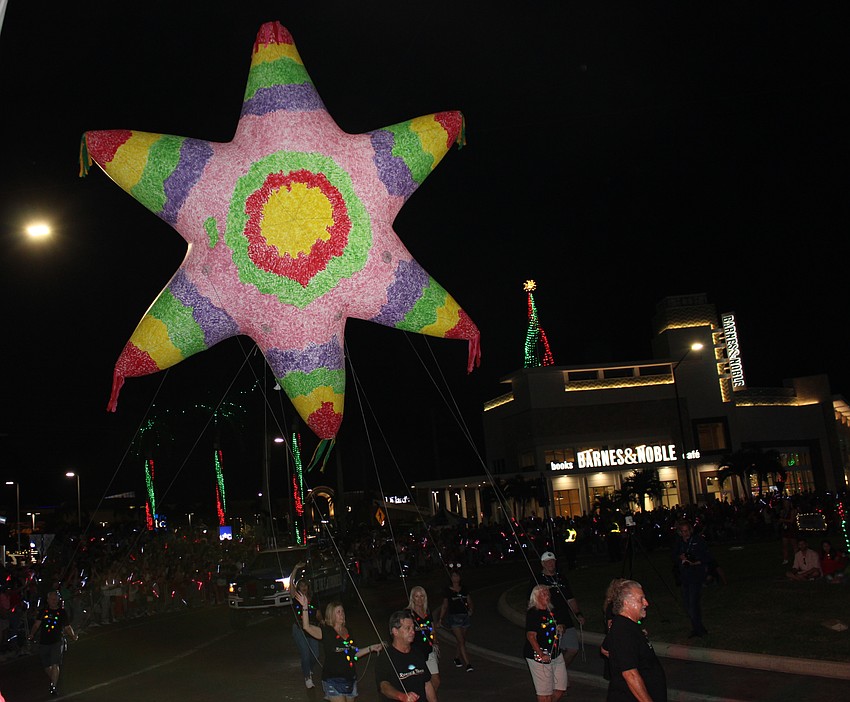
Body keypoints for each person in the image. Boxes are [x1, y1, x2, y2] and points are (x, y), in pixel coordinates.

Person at [294, 590, 381, 702]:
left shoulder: (348, 631)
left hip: (350, 679)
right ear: (331, 615)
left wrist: (371, 648)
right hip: (333, 680)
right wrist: (305, 607)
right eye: (338, 612)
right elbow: (306, 627)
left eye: (343, 611)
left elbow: (354, 654)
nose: (342, 614)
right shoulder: (326, 632)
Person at [602, 579, 667, 702]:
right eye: (641, 599)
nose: (646, 603)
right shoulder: (623, 630)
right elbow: (630, 674)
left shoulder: (629, 626)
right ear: (626, 603)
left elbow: (605, 649)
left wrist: (619, 657)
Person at [528, 551, 585, 667]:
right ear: (542, 563)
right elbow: (532, 601)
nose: (550, 564)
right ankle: (555, 674)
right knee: (552, 650)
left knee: (573, 648)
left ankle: (560, 671)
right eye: (547, 562)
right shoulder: (537, 579)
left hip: (564, 617)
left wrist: (578, 614)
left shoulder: (561, 578)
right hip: (548, 620)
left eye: (552, 561)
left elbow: (570, 598)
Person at [375, 610, 437, 702]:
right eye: (407, 628)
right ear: (395, 631)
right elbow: (384, 686)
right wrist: (402, 696)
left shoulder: (417, 653)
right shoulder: (385, 657)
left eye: (413, 628)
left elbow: (427, 683)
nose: (412, 632)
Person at [28, 590, 79, 696]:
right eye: (52, 599)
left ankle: (53, 686)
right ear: (48, 600)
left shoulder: (61, 612)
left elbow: (67, 626)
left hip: (57, 641)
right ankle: (54, 679)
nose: (54, 601)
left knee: (55, 663)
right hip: (44, 642)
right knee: (47, 665)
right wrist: (32, 633)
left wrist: (73, 635)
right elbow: (37, 624)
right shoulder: (43, 612)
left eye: (56, 599)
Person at [524, 585, 567, 702]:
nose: (547, 596)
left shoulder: (552, 611)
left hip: (556, 654)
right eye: (543, 594)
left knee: (560, 688)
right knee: (545, 694)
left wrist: (561, 628)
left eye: (548, 593)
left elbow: (562, 625)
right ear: (536, 597)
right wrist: (541, 654)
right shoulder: (533, 613)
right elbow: (531, 636)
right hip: (539, 655)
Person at [671, 521, 710, 638]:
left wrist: (696, 562)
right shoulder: (679, 543)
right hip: (684, 577)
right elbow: (673, 556)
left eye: (686, 531)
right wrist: (680, 557)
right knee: (688, 604)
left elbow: (707, 556)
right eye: (682, 531)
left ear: (690, 530)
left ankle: (699, 629)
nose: (685, 534)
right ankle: (697, 627)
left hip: (695, 576)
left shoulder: (697, 541)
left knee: (693, 603)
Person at [437, 566, 474, 672]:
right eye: (453, 576)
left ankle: (457, 658)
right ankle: (468, 663)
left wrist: (471, 609)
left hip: (464, 617)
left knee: (461, 640)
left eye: (457, 575)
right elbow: (444, 605)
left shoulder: (464, 589)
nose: (455, 578)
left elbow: (470, 601)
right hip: (454, 617)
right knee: (461, 640)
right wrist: (440, 619)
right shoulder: (448, 591)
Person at [406, 585, 440, 692]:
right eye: (417, 596)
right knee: (420, 681)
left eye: (422, 596)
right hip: (415, 652)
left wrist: (434, 641)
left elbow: (432, 629)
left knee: (436, 680)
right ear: (412, 598)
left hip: (429, 650)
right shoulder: (408, 613)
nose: (420, 599)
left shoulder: (427, 612)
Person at [291, 577, 324, 689]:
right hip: (299, 629)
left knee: (316, 654)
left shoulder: (313, 599)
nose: (304, 587)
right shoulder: (296, 598)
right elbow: (290, 588)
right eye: (301, 585)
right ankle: (307, 677)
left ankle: (308, 668)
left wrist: (322, 621)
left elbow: (318, 614)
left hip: (312, 628)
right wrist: (295, 570)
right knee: (305, 653)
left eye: (305, 585)